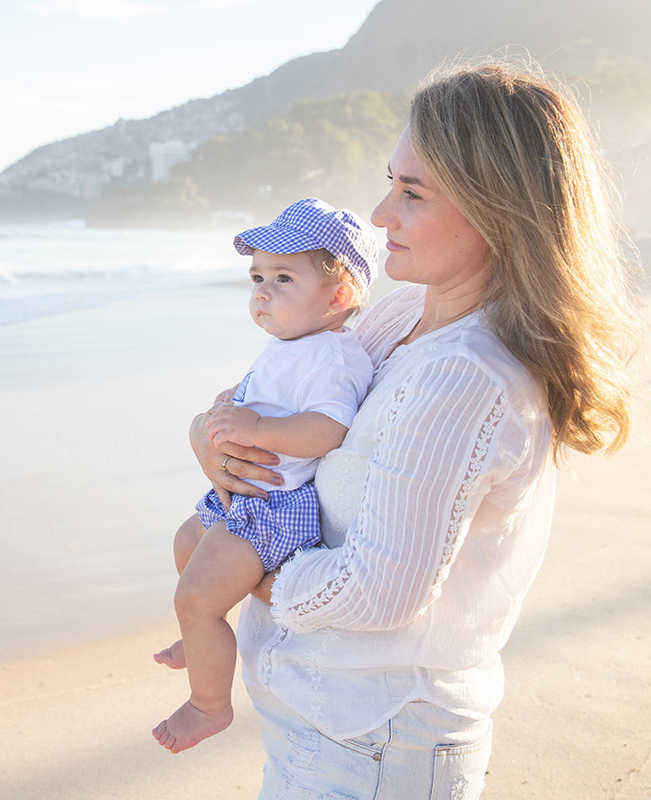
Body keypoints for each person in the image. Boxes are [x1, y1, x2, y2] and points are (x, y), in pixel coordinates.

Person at [190, 60, 643, 797]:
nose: (378, 214)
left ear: (497, 208)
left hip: (374, 747)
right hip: (329, 731)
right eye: (389, 180)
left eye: (412, 193)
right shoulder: (405, 314)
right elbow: (281, 397)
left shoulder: (467, 375)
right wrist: (211, 443)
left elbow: (376, 595)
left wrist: (249, 574)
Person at [151, 197, 379, 754]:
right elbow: (272, 400)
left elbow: (326, 429)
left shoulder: (332, 356)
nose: (262, 291)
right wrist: (234, 403)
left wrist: (252, 423)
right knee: (186, 542)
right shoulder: (291, 345)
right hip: (248, 498)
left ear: (338, 296)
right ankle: (202, 636)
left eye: (282, 278)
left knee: (196, 595)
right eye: (257, 276)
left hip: (278, 508)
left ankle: (208, 705)